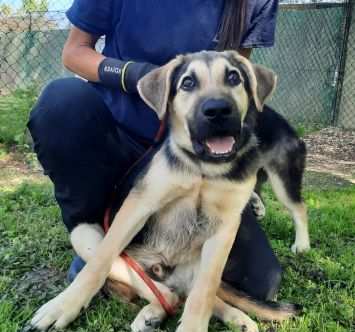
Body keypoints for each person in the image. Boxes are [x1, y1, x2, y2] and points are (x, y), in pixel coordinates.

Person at [28, 0, 282, 302]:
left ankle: (128, 260)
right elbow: (74, 52)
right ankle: (94, 237)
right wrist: (132, 74)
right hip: (119, 142)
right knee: (62, 103)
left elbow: (234, 81)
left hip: (191, 153)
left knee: (257, 283)